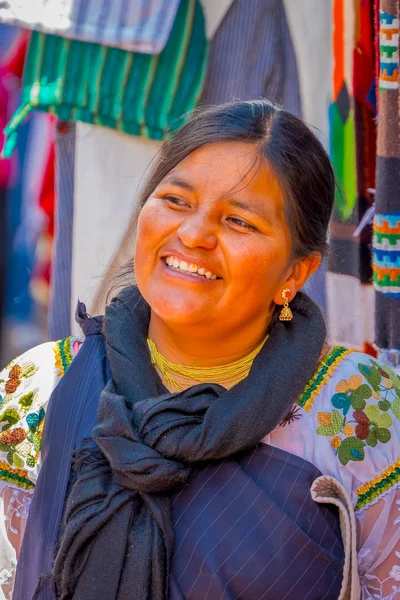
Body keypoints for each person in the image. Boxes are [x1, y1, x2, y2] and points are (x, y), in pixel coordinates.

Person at [0, 100, 399, 600]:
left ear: (295, 273)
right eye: (176, 200)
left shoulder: (357, 408)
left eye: (240, 222)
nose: (192, 235)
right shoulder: (41, 386)